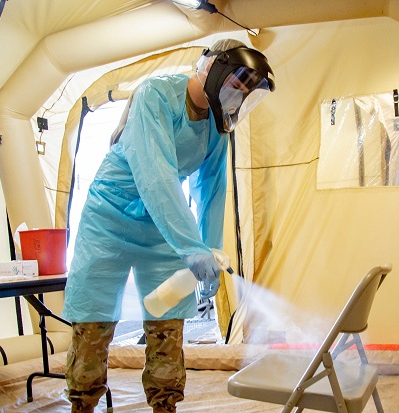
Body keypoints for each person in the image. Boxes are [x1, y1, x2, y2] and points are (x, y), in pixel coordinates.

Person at [61, 39, 275, 413]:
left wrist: (209, 251)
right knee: (94, 322)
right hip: (108, 218)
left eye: (243, 93)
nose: (236, 98)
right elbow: (155, 175)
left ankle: (165, 406)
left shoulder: (217, 126)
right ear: (213, 71)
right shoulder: (155, 96)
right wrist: (190, 247)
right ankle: (83, 405)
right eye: (235, 86)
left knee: (167, 325)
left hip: (160, 225)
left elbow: (212, 190)